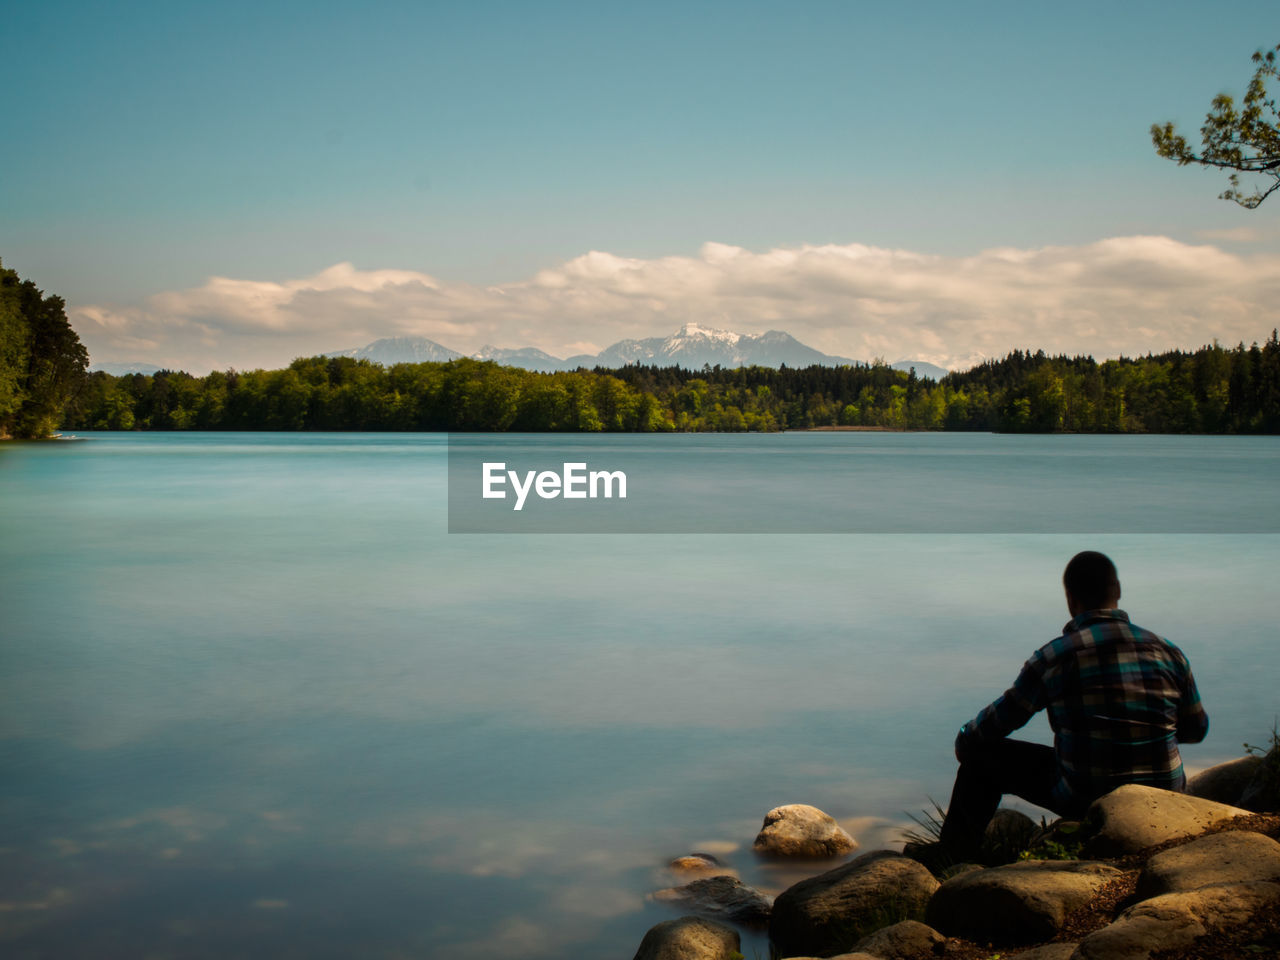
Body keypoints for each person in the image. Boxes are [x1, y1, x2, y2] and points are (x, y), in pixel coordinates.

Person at [927, 550, 1209, 865]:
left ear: (1070, 599)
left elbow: (997, 724)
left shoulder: (1055, 657)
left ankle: (951, 863)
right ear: (1117, 590)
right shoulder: (1169, 652)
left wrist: (965, 738)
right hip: (1164, 797)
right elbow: (1196, 730)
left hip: (1087, 798)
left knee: (981, 756)